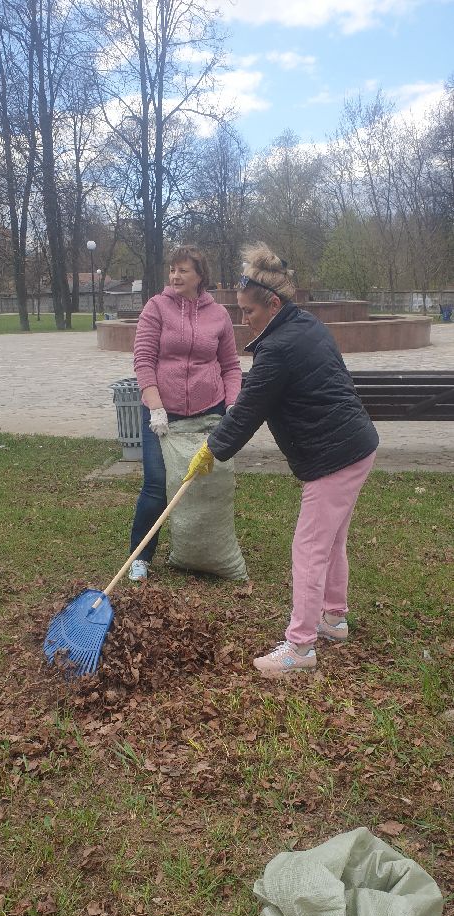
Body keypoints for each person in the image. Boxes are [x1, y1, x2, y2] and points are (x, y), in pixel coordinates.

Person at [184, 243, 379, 676]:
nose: (243, 321)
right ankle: (333, 618)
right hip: (354, 445)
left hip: (336, 456)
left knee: (309, 547)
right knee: (331, 541)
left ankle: (301, 649)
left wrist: (210, 450)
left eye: (249, 312)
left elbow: (248, 410)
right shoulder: (305, 325)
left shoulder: (279, 348)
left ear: (273, 304)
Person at [128, 245, 242, 581]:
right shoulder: (156, 308)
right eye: (172, 270)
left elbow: (231, 366)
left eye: (183, 270)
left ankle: (204, 552)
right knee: (156, 484)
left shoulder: (219, 314)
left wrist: (233, 404)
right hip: (163, 414)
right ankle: (140, 557)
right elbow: (144, 361)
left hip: (210, 413)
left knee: (207, 483)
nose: (175, 276)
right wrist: (155, 406)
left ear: (200, 276)